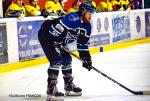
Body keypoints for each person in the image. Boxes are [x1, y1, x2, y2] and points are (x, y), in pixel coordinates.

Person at [38, 1, 95, 101]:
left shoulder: (87, 26)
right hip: (47, 34)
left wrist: (86, 58)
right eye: (89, 13)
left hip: (59, 39)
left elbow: (82, 43)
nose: (91, 16)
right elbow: (55, 30)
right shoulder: (72, 19)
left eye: (92, 13)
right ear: (83, 11)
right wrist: (57, 42)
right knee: (56, 59)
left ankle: (68, 85)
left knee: (67, 59)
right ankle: (51, 90)